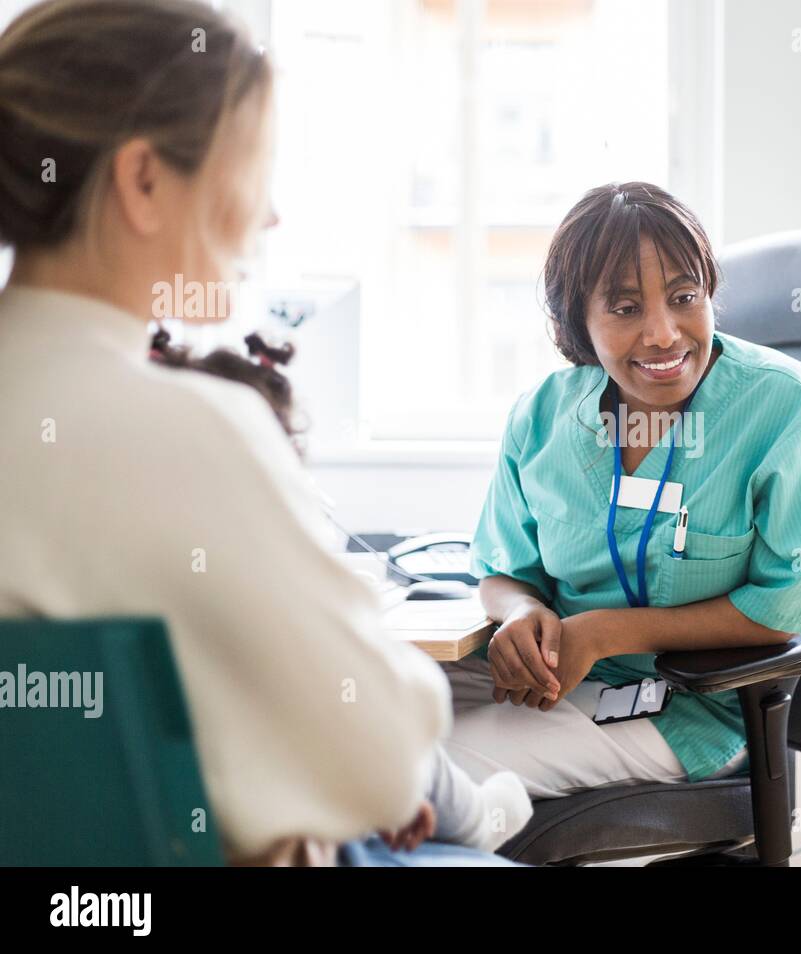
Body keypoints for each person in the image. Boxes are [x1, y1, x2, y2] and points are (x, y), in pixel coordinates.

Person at [0, 0, 511, 866]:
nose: (270, 218)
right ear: (145, 180)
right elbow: (382, 758)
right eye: (255, 170)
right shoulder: (184, 429)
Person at [446, 182, 801, 800]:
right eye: (625, 309)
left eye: (685, 297)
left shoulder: (779, 405)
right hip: (551, 683)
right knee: (352, 727)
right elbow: (499, 569)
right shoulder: (542, 415)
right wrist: (521, 612)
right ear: (577, 321)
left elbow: (785, 607)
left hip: (685, 709)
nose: (663, 333)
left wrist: (606, 632)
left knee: (432, 776)